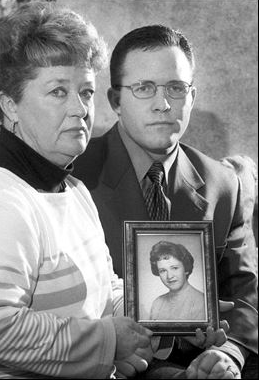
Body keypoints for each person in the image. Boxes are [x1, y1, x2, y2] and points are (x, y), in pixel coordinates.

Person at [0, 2, 157, 378]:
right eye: (58, 92)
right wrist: (109, 341)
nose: (80, 109)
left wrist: (169, 317)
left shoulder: (74, 189)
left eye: (86, 92)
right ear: (9, 105)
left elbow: (105, 290)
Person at [73, 24, 258, 378]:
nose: (162, 104)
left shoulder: (223, 183)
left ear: (192, 97)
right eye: (144, 88)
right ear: (115, 100)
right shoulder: (74, 174)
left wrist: (229, 352)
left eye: (176, 88)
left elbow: (245, 294)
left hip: (198, 361)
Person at [149, 241, 205, 321]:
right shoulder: (157, 303)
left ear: (186, 268)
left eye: (174, 268)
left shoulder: (202, 302)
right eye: (163, 271)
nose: (169, 276)